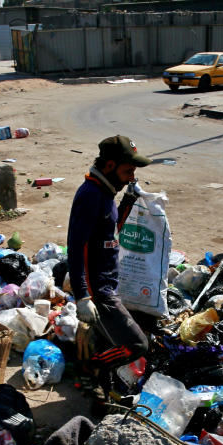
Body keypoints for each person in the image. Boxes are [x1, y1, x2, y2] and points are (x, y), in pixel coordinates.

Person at [67, 135, 151, 408]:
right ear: (110, 165)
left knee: (108, 343)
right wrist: (82, 296)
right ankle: (90, 368)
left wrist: (127, 203)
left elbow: (110, 230)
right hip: (98, 292)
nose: (130, 177)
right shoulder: (90, 196)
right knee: (137, 345)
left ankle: (100, 388)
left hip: (107, 285)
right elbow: (75, 247)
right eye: (128, 171)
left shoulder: (104, 192)